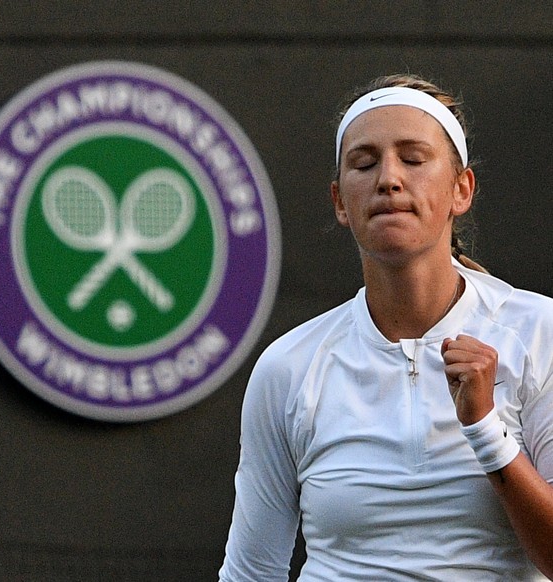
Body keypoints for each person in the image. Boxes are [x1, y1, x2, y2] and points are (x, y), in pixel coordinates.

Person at [218, 74, 553, 581]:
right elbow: (250, 572)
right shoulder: (289, 368)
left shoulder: (539, 334)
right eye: (365, 162)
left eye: (414, 159)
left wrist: (487, 432)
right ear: (339, 202)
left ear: (461, 189)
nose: (389, 179)